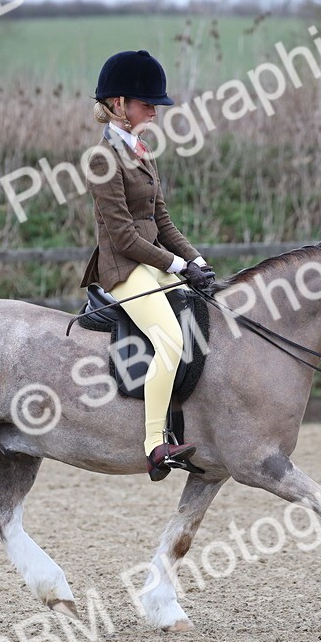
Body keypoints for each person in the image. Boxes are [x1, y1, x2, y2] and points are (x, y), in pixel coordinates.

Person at [81, 49, 215, 482]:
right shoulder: (102, 160)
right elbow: (123, 236)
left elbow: (161, 221)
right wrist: (177, 263)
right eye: (146, 105)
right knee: (171, 340)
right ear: (118, 105)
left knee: (206, 316)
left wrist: (195, 259)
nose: (154, 113)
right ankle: (154, 445)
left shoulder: (142, 152)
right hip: (123, 269)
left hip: (154, 263)